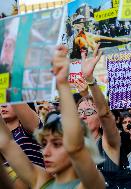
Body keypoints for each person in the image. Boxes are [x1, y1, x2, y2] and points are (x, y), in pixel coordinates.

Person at [0, 45, 106, 189]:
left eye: (56, 144)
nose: (46, 152)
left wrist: (62, 84)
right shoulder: (40, 180)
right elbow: (6, 144)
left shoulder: (90, 182)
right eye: (44, 144)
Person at [78, 44, 121, 173]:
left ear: (101, 122)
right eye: (79, 112)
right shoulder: (73, 148)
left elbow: (104, 113)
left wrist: (90, 80)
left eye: (89, 112)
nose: (82, 116)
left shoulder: (109, 143)